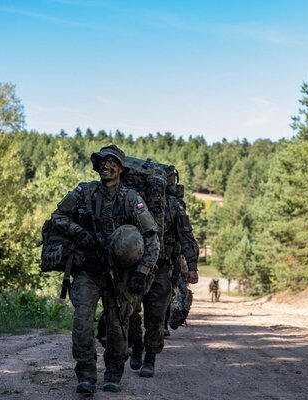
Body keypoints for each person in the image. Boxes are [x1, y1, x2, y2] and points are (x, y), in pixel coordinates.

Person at [50, 144, 160, 394]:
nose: (106, 166)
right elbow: (58, 216)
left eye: (112, 162)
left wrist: (142, 272)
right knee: (82, 321)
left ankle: (113, 373)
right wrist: (81, 234)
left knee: (116, 326)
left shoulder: (132, 199)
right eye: (103, 162)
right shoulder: (84, 192)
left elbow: (152, 238)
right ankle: (86, 374)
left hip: (119, 275)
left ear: (121, 169)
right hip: (88, 268)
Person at [128, 191, 200, 378]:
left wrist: (191, 266)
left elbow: (186, 235)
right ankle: (136, 343)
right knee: (130, 311)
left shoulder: (174, 206)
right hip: (134, 266)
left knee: (156, 315)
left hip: (162, 266)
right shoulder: (131, 199)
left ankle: (150, 358)